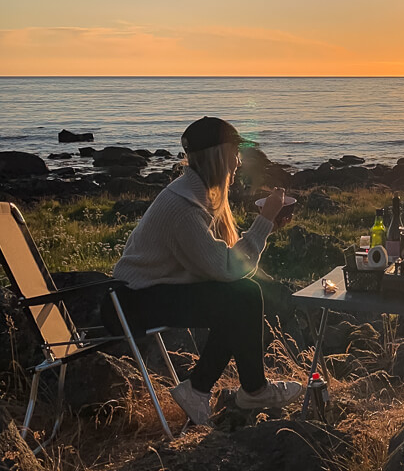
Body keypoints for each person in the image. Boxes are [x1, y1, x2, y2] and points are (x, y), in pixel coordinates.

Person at [105, 116, 302, 425]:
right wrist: (263, 221)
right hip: (132, 303)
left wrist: (268, 225)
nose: (238, 162)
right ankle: (246, 389)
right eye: (235, 153)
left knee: (239, 297)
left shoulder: (194, 194)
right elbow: (226, 269)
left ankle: (205, 390)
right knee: (242, 297)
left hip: (148, 293)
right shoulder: (183, 206)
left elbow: (226, 266)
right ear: (219, 155)